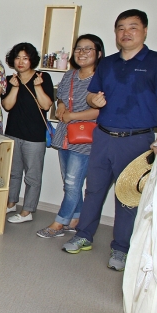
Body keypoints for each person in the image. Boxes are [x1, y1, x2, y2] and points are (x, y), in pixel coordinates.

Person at [63, 10, 157, 271]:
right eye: (121, 28)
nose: (126, 33)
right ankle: (83, 235)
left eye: (133, 27)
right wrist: (92, 100)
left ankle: (120, 249)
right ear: (115, 32)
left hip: (137, 140)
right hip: (103, 136)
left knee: (127, 195)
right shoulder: (107, 63)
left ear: (144, 30)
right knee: (94, 190)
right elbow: (91, 97)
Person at [37, 35, 104, 238]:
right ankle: (76, 217)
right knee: (69, 181)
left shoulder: (101, 77)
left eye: (88, 49)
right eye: (78, 49)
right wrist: (62, 107)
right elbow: (61, 98)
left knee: (73, 183)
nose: (82, 53)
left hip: (85, 138)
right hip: (66, 134)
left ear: (98, 53)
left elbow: (100, 111)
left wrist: (73, 115)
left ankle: (60, 223)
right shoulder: (70, 75)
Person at [1, 42, 54, 223]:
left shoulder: (43, 77)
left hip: (35, 136)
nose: (21, 62)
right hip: (13, 133)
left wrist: (38, 87)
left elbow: (46, 105)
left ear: (32, 60)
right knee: (13, 172)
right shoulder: (11, 80)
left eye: (25, 58)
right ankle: (11, 202)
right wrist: (15, 87)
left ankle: (28, 210)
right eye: (17, 58)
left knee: (32, 176)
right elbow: (7, 106)